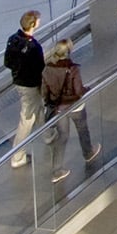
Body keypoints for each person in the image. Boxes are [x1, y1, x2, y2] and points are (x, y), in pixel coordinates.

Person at [39, 39, 100, 183]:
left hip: (59, 108)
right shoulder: (72, 69)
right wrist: (87, 90)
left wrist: (50, 103)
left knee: (63, 136)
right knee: (82, 128)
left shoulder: (47, 69)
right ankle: (88, 152)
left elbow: (44, 91)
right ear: (68, 52)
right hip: (74, 105)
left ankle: (57, 170)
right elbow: (78, 90)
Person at [5, 11, 46, 169]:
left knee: (38, 108)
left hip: (19, 82)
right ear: (33, 24)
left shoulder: (13, 40)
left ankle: (49, 135)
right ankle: (18, 155)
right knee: (27, 119)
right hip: (31, 85)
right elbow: (39, 68)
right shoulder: (34, 47)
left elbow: (7, 62)